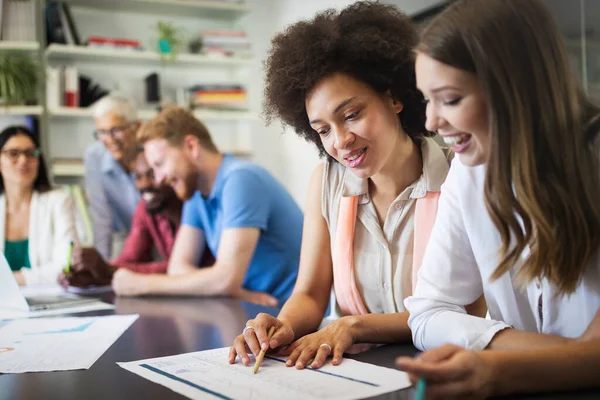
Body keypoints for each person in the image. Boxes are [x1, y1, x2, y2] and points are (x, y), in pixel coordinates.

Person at [230, 1, 485, 371]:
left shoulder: (457, 176)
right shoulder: (327, 181)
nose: (340, 141)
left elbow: (467, 312)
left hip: (437, 372)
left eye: (352, 115)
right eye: (322, 130)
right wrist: (283, 326)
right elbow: (309, 293)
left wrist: (352, 326)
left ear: (394, 97)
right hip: (351, 375)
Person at [396, 0, 600, 398]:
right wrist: (533, 356)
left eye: (450, 99)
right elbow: (427, 312)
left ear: (515, 89)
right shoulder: (468, 171)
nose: (431, 123)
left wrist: (499, 368)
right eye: (428, 100)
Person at [110, 106, 302, 307]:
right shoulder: (196, 194)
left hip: (295, 317)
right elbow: (179, 266)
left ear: (191, 146)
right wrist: (235, 291)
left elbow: (225, 278)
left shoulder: (241, 179)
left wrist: (140, 284)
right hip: (257, 311)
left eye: (159, 164)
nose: (158, 180)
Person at [63, 149, 215, 287]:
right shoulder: (146, 207)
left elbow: (183, 268)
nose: (143, 185)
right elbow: (130, 257)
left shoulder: (196, 204)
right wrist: (93, 274)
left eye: (152, 175)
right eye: (138, 176)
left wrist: (110, 271)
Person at [0, 126, 78, 285]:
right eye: (13, 153)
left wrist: (10, 280)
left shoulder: (59, 201)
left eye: (30, 153)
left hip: (49, 302)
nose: (23, 160)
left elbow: (66, 266)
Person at [84, 94, 141, 261]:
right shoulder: (94, 156)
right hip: (122, 239)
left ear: (136, 126)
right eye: (101, 132)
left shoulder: (151, 152)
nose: (109, 139)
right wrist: (101, 267)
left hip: (159, 236)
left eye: (116, 130)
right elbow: (101, 217)